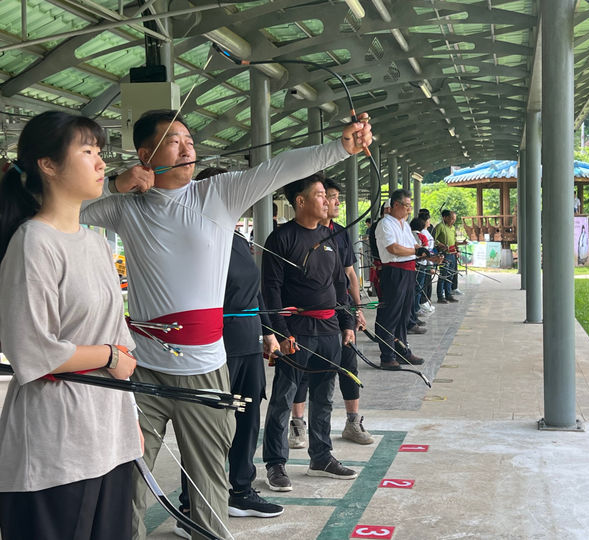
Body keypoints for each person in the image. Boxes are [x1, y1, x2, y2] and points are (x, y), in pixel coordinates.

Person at [80, 109, 372, 539]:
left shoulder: (216, 193)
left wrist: (338, 148)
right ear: (146, 154)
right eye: (175, 141)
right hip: (142, 368)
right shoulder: (126, 207)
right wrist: (114, 183)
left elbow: (277, 168)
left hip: (205, 368)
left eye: (191, 141)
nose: (188, 148)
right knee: (127, 475)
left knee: (209, 481)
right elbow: (57, 204)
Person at [0, 111, 141, 540]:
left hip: (111, 436)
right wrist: (111, 356)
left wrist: (128, 415)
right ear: (48, 164)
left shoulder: (97, 243)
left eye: (100, 152)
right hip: (56, 445)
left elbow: (117, 335)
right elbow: (31, 350)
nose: (101, 163)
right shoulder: (33, 242)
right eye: (87, 151)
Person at [172, 168, 283, 539]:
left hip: (247, 340)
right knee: (207, 426)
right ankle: (192, 506)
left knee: (247, 417)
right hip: (212, 345)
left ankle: (239, 489)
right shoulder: (193, 233)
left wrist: (268, 331)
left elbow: (255, 290)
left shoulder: (236, 235)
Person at [262, 174, 358, 492]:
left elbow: (339, 285)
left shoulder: (330, 236)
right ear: (300, 201)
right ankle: (276, 464)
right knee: (284, 397)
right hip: (297, 332)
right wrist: (280, 332)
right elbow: (271, 290)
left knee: (324, 397)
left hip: (330, 328)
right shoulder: (282, 238)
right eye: (319, 195)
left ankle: (321, 457)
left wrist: (346, 324)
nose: (327, 200)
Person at [289, 178, 373, 449]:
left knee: (347, 365)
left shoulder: (339, 232)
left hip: (338, 315)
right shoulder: (292, 236)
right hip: (306, 322)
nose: (333, 202)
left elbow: (347, 276)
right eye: (327, 196)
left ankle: (352, 422)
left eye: (334, 197)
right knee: (302, 371)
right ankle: (298, 425)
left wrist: (355, 310)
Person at [374, 189, 427, 369]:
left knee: (405, 315)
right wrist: (416, 251)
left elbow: (413, 245)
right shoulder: (385, 223)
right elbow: (394, 249)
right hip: (394, 272)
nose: (409, 210)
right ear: (395, 205)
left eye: (410, 206)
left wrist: (428, 254)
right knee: (391, 316)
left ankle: (402, 351)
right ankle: (387, 356)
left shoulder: (403, 224)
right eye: (406, 206)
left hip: (408, 270)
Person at [434, 210, 461, 303]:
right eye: (451, 219)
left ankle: (448, 294)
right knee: (443, 275)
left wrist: (458, 249)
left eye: (454, 219)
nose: (453, 221)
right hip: (444, 254)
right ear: (445, 217)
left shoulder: (453, 228)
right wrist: (440, 244)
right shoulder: (440, 227)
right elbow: (432, 239)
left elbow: (454, 240)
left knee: (450, 275)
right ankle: (440, 296)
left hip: (452, 254)